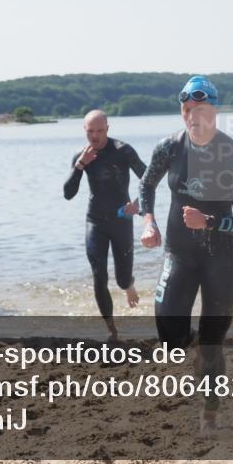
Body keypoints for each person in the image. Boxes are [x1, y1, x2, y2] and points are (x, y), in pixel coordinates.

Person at [138, 76, 233, 432]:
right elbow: (146, 184)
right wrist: (148, 222)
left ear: (214, 111)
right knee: (171, 339)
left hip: (221, 260)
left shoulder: (231, 155)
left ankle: (210, 413)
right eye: (188, 109)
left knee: (213, 344)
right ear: (182, 111)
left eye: (201, 109)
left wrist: (209, 221)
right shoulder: (168, 148)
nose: (194, 117)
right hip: (179, 254)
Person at [63, 110, 146, 339]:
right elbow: (68, 194)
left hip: (121, 220)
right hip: (95, 220)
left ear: (108, 129)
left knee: (121, 279)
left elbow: (149, 177)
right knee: (99, 274)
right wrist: (80, 165)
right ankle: (112, 330)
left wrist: (138, 204)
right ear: (84, 130)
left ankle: (129, 284)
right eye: (91, 131)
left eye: (100, 131)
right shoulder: (82, 156)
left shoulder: (123, 150)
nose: (95, 136)